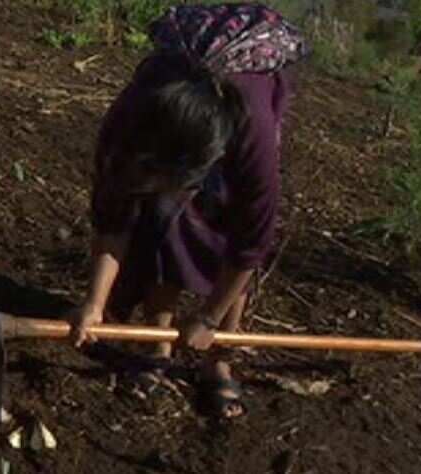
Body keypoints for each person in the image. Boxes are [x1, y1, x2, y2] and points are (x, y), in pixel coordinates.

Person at [69, 3, 308, 419]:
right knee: (161, 219)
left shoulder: (254, 136)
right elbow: (112, 218)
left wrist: (210, 319)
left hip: (251, 81)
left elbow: (249, 244)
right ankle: (156, 341)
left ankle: (219, 358)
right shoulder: (127, 126)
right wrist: (94, 303)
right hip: (178, 93)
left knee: (223, 226)